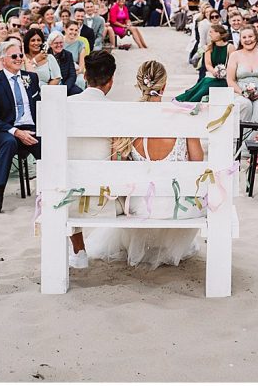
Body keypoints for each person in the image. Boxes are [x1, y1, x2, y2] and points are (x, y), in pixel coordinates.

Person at [88, 60, 206, 268]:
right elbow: (198, 164)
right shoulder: (182, 117)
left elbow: (121, 168)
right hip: (177, 207)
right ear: (164, 85)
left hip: (140, 207)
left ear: (139, 84)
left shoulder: (128, 119)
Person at [65, 50, 119, 269]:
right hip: (105, 197)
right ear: (111, 81)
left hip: (67, 190)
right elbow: (117, 155)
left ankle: (79, 252)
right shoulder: (116, 110)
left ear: (85, 77)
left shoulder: (64, 104)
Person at [0, 40, 42, 213]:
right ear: (2, 60)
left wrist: (39, 129)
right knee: (9, 143)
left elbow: (39, 106)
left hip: (31, 127)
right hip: (5, 129)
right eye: (14, 56)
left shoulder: (31, 78)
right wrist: (17, 132)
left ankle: (52, 192)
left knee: (47, 145)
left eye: (21, 55)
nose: (19, 59)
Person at [177, 23, 233, 102]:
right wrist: (214, 71)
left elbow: (232, 64)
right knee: (205, 81)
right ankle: (186, 99)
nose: (209, 34)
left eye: (211, 32)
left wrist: (224, 72)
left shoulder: (230, 47)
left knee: (208, 85)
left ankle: (192, 102)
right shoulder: (209, 47)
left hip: (226, 78)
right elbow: (208, 64)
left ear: (219, 33)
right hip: (213, 75)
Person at [227, 26, 258, 123]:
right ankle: (241, 136)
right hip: (240, 93)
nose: (248, 40)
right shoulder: (235, 55)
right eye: (244, 37)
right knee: (244, 104)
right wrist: (242, 92)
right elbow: (230, 80)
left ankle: (257, 137)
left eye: (250, 36)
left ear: (256, 37)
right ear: (240, 40)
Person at [47, 31, 82, 95]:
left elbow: (72, 74)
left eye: (61, 42)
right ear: (50, 44)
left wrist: (65, 88)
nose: (59, 45)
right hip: (50, 85)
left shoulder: (68, 55)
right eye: (56, 43)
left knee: (79, 92)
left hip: (65, 84)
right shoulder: (45, 55)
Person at [62, 22, 89, 91]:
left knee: (80, 80)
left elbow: (81, 67)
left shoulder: (80, 44)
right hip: (60, 71)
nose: (74, 32)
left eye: (76, 30)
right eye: (71, 29)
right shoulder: (60, 42)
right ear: (65, 29)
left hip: (75, 72)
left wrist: (72, 74)